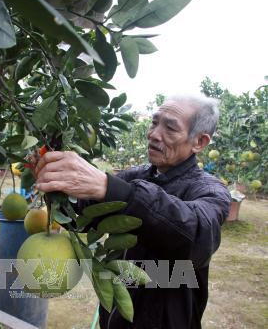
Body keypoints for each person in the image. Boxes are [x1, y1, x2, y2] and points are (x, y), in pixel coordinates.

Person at [34, 95, 231, 329]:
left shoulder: (208, 190)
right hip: (117, 318)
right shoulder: (135, 176)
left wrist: (116, 191)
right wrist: (58, 187)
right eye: (154, 123)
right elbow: (82, 217)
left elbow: (195, 233)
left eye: (170, 127)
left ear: (199, 141)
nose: (154, 134)